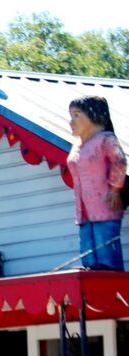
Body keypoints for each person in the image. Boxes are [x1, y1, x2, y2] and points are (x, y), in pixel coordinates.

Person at [67, 96, 127, 270]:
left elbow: (120, 161)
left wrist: (115, 189)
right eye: (71, 115)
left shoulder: (105, 139)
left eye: (77, 115)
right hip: (84, 209)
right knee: (88, 250)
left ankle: (108, 279)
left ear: (93, 115)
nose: (71, 121)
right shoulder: (77, 145)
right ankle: (89, 273)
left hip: (104, 204)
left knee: (105, 249)